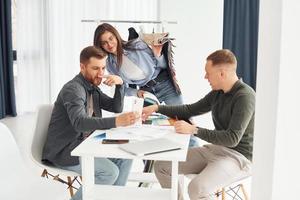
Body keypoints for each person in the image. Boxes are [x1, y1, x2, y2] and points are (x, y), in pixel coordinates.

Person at [142, 49, 255, 200]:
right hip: (215, 150)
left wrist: (194, 130)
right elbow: (190, 109)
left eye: (208, 73)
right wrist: (157, 108)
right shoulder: (218, 93)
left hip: (237, 158)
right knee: (162, 166)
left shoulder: (245, 96)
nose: (205, 77)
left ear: (222, 73)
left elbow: (232, 138)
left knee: (197, 188)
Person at [42, 46, 140, 200]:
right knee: (109, 172)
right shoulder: (74, 89)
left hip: (86, 144)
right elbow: (79, 123)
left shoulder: (92, 88)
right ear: (82, 67)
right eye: (95, 68)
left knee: (125, 157)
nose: (101, 73)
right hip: (66, 151)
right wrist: (117, 121)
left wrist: (120, 84)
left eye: (103, 68)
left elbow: (116, 107)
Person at [93, 23, 198, 148]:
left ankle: (196, 153)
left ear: (116, 36)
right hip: (147, 93)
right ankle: (152, 162)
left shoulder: (137, 45)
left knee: (184, 121)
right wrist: (136, 93)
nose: (109, 45)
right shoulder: (110, 64)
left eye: (111, 39)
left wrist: (157, 54)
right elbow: (123, 88)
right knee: (147, 130)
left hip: (165, 85)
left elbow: (164, 66)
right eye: (104, 43)